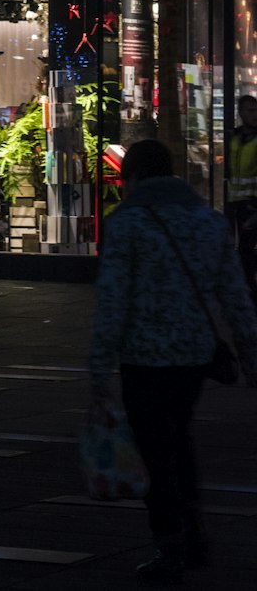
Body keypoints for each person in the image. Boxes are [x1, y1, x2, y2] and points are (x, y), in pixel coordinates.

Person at [88, 138, 257, 586]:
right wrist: (250, 354)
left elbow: (112, 302)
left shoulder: (126, 225)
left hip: (144, 356)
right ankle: (192, 524)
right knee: (178, 435)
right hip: (194, 355)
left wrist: (99, 365)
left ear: (135, 178)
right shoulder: (209, 223)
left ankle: (171, 542)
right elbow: (235, 296)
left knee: (154, 450)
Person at [228, 93, 257, 304]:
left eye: (256, 110)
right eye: (250, 110)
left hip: (252, 204)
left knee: (246, 249)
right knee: (240, 248)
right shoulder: (235, 137)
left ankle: (249, 291)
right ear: (240, 113)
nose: (254, 115)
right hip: (235, 202)